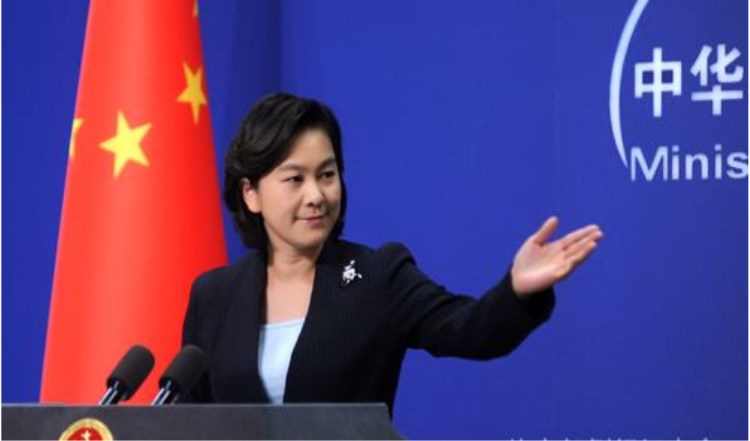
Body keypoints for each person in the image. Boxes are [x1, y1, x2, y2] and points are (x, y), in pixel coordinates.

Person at [182, 92, 603, 412]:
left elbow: (472, 330)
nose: (316, 195)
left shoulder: (378, 276)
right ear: (251, 194)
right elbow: (188, 419)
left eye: (326, 175)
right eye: (295, 179)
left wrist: (517, 290)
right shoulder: (214, 295)